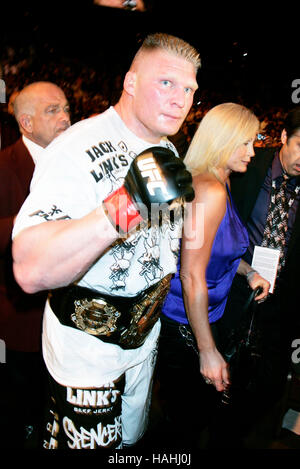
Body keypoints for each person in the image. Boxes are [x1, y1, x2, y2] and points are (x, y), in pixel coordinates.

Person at [11, 33, 200, 450]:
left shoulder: (167, 150)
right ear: (130, 82)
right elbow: (28, 269)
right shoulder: (76, 146)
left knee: (131, 445)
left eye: (188, 89)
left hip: (143, 340)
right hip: (88, 348)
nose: (180, 99)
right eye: (166, 83)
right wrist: (124, 206)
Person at [155, 103, 270, 449]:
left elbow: (219, 249)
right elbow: (191, 274)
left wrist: (248, 271)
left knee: (193, 417)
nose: (253, 151)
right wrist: (207, 349)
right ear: (222, 140)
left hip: (204, 318)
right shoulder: (211, 189)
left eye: (255, 141)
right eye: (245, 142)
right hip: (184, 324)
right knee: (185, 424)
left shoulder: (221, 179)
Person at [211, 106, 300, 448]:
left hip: (279, 307)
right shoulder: (247, 167)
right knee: (216, 381)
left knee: (265, 389)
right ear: (283, 138)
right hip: (233, 292)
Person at [0, 81, 70, 448]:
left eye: (65, 109)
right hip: (21, 319)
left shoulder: (75, 163)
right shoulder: (4, 165)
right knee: (19, 410)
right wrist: (33, 221)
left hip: (69, 320)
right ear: (25, 123)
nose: (64, 118)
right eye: (52, 110)